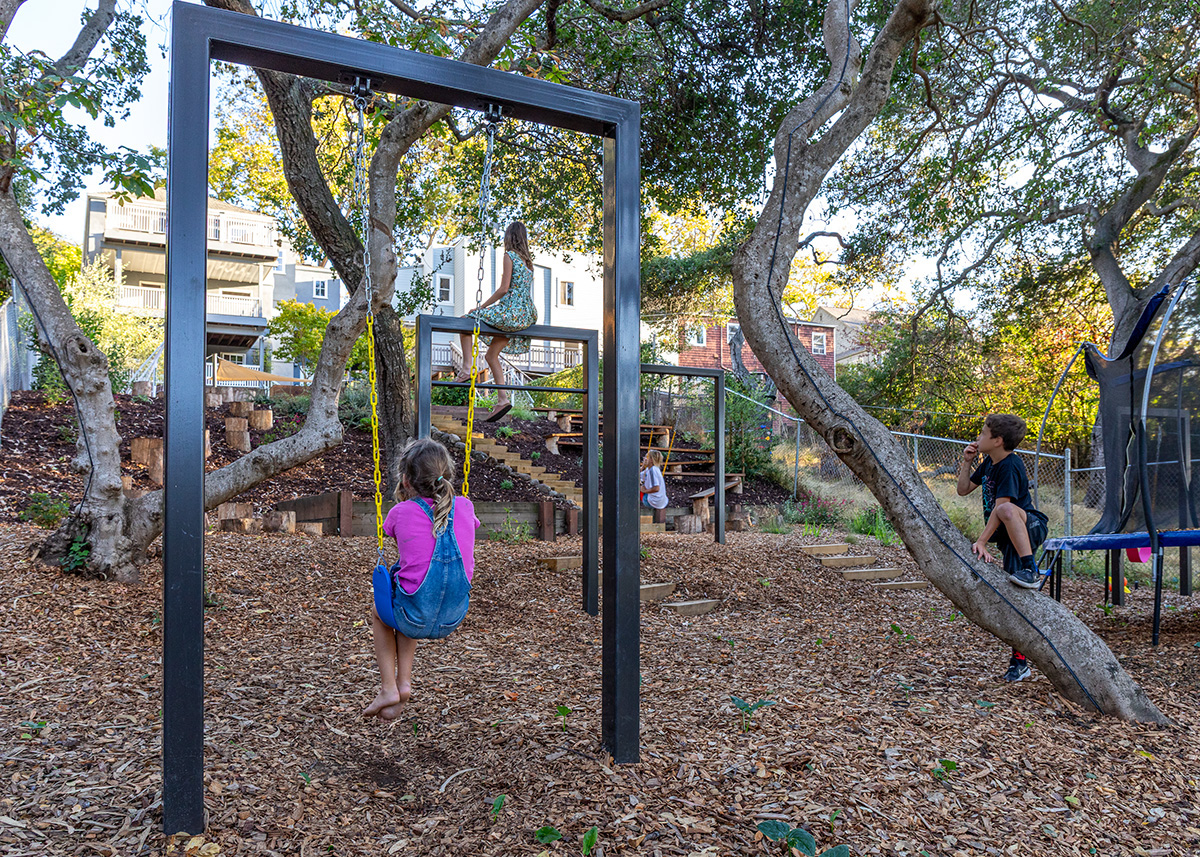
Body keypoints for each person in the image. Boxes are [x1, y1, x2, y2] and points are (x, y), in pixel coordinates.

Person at [364, 439, 480, 720]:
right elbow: (467, 525)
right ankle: (404, 685)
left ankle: (390, 686)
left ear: (406, 480)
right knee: (409, 596)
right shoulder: (465, 507)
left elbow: (392, 529)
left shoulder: (400, 512)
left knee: (382, 611)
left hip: (413, 614)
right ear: (447, 477)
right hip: (454, 614)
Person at [957, 413, 1050, 683]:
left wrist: (983, 540)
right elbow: (963, 490)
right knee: (1015, 598)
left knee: (1007, 508)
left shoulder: (1010, 465)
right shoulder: (989, 463)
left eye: (983, 434)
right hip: (1011, 536)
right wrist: (967, 462)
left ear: (997, 440)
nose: (978, 437)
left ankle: (1030, 568)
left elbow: (1002, 509)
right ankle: (1019, 663)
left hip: (1028, 525)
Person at [456, 221, 538, 420]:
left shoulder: (509, 256)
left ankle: (466, 368)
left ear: (509, 237)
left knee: (466, 320)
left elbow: (503, 289)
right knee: (491, 355)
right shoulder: (529, 263)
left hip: (509, 313)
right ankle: (503, 399)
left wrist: (481, 307)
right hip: (525, 315)